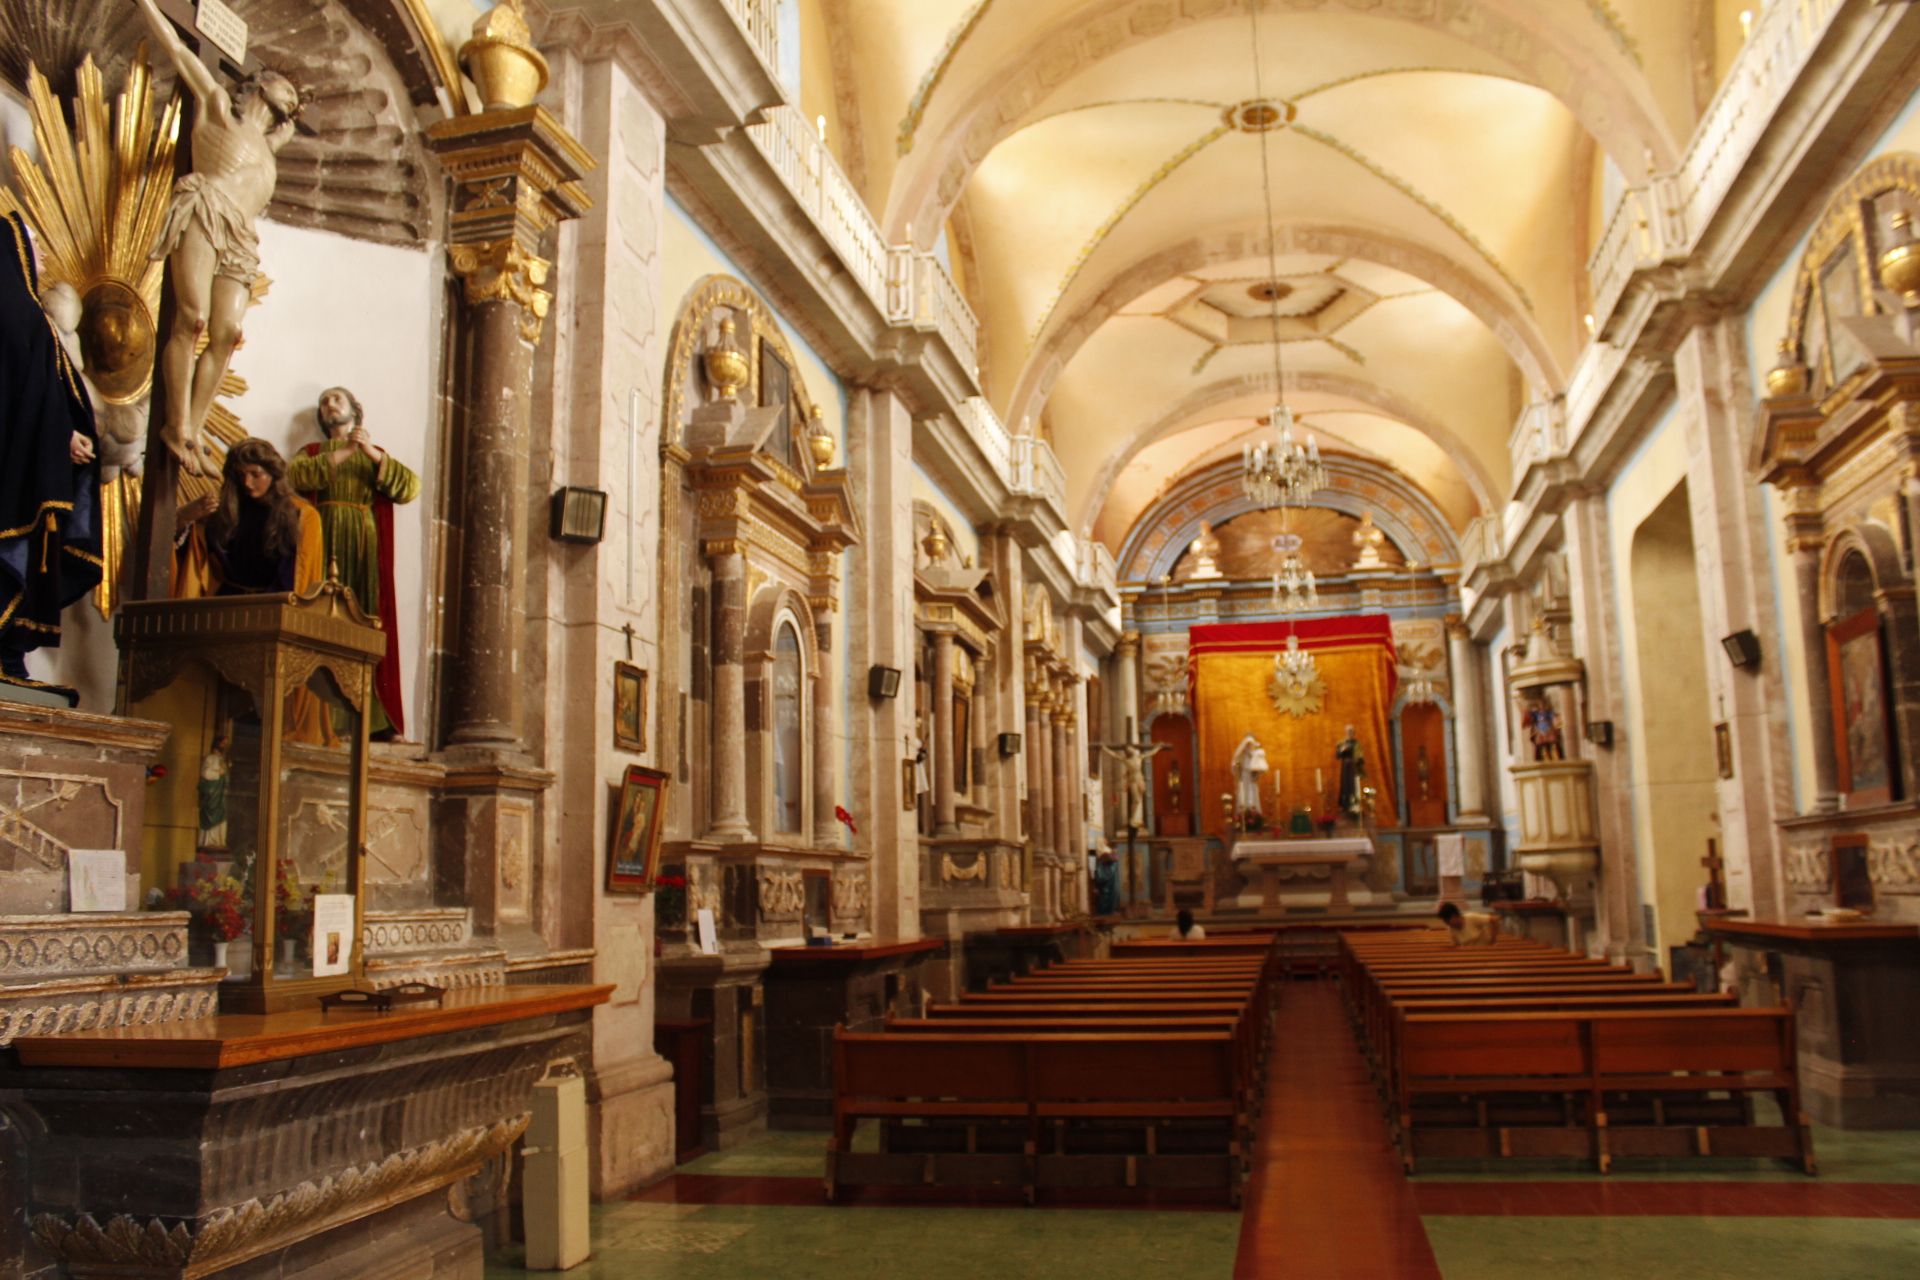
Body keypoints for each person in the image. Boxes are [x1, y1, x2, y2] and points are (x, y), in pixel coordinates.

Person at [136, 0, 304, 475]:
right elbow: (177, 47)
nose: (292, 101)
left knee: (227, 335)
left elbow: (265, 149)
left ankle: (192, 427)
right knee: (192, 318)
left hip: (241, 238)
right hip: (207, 209)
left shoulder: (270, 150)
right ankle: (175, 426)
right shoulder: (215, 107)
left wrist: (280, 138)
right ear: (260, 85)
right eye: (285, 89)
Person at [0, 210, 100, 696]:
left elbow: (42, 390)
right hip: (18, 469)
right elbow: (28, 390)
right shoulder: (19, 315)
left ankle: (10, 657)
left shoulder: (23, 314)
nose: (40, 253)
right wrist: (60, 434)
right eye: (32, 242)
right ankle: (6, 655)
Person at [289, 387, 420, 737]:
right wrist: (346, 451)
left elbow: (409, 487)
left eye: (336, 399)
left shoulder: (373, 454)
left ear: (355, 410)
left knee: (365, 620)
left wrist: (370, 454)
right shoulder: (313, 452)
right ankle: (324, 716)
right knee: (321, 621)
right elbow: (297, 477)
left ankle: (369, 714)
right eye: (323, 402)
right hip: (324, 538)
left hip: (364, 545)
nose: (329, 405)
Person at [1336, 723, 1366, 814]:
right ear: (1345, 732)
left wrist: (1358, 759)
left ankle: (1355, 805)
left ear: (1354, 732)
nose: (1350, 733)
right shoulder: (1341, 743)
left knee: (1354, 786)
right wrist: (1342, 750)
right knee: (1345, 785)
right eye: (1348, 731)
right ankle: (1345, 806)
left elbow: (1361, 757)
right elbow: (1337, 756)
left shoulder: (1357, 743)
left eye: (1351, 731)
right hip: (1345, 767)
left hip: (1354, 767)